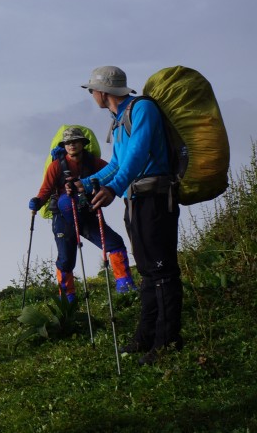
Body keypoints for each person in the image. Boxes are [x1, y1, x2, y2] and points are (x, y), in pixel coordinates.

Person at [75, 66, 181, 365]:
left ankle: (167, 342)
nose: (91, 95)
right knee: (148, 271)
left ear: (104, 91)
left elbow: (138, 154)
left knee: (161, 271)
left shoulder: (142, 109)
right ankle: (146, 336)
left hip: (156, 198)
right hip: (137, 199)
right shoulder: (119, 119)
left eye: (92, 90)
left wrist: (113, 189)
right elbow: (117, 163)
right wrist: (83, 185)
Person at [28, 126, 137, 301]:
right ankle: (67, 298)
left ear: (83, 143)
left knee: (115, 243)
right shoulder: (56, 166)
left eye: (75, 141)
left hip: (86, 214)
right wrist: (38, 202)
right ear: (64, 146)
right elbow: (46, 189)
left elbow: (112, 173)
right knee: (66, 259)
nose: (71, 145)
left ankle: (125, 285)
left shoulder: (94, 162)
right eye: (68, 143)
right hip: (63, 218)